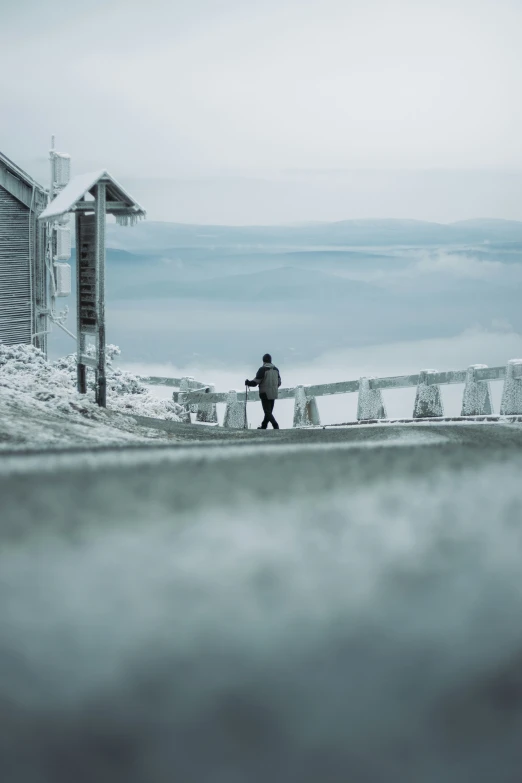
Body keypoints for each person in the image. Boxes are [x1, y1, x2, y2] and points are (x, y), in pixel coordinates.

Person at [245, 354, 282, 429]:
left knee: (267, 412)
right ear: (270, 360)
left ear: (263, 361)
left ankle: (275, 425)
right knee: (269, 412)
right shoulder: (276, 369)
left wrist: (248, 383)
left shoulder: (262, 369)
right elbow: (279, 382)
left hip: (264, 393)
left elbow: (256, 382)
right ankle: (264, 426)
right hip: (274, 393)